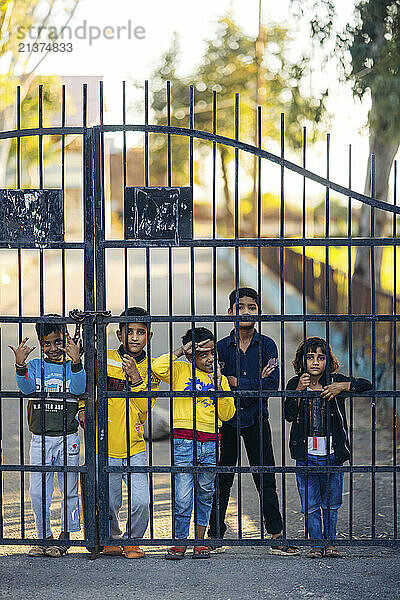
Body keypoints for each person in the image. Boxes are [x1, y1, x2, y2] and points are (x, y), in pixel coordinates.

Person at [208, 287, 299, 555]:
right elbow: (218, 384)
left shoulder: (267, 345)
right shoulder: (221, 347)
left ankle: (276, 534)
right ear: (230, 313)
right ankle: (215, 535)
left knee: (265, 476)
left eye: (252, 307)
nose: (246, 311)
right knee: (222, 478)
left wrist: (238, 382)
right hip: (226, 419)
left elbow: (270, 385)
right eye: (240, 307)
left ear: (258, 311)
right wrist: (250, 383)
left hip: (257, 418)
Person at [79, 307, 160, 559]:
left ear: (149, 336)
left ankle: (132, 541)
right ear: (119, 334)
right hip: (105, 441)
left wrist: (136, 379)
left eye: (141, 332)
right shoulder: (106, 358)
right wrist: (83, 409)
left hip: (134, 444)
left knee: (141, 501)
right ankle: (110, 538)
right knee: (110, 500)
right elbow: (87, 386)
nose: (135, 337)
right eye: (129, 332)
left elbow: (145, 407)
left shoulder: (152, 369)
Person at [151, 327, 235, 560]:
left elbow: (228, 414)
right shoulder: (179, 370)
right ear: (190, 355)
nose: (210, 359)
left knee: (205, 492)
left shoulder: (221, 378)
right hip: (184, 441)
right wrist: (181, 351)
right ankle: (180, 541)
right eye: (203, 354)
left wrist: (219, 386)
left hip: (210, 442)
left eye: (212, 353)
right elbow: (157, 368)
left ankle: (199, 541)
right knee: (183, 494)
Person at [285, 336, 372, 558]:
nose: (315, 362)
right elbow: (288, 415)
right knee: (311, 501)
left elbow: (366, 385)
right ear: (301, 361)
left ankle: (330, 543)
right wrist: (297, 392)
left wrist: (341, 386)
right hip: (305, 453)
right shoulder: (294, 384)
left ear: (327, 361)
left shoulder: (335, 382)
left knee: (331, 501)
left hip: (333, 453)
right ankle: (316, 544)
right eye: (310, 357)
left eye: (321, 358)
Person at [9, 316, 86, 557]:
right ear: (41, 344)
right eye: (47, 343)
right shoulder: (34, 366)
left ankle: (65, 536)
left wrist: (75, 360)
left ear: (67, 340)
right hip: (40, 437)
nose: (53, 349)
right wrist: (20, 366)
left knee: (69, 487)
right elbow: (27, 388)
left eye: (58, 342)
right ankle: (44, 536)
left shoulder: (73, 365)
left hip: (68, 436)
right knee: (37, 490)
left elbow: (78, 388)